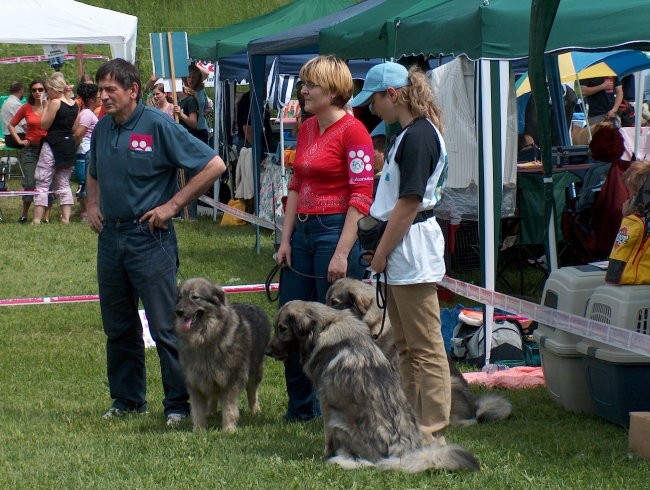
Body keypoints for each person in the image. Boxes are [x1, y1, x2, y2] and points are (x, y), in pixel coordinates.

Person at [87, 58, 225, 427]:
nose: (103, 96)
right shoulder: (102, 128)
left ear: (133, 90)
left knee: (166, 325)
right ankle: (127, 399)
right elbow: (93, 170)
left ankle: (178, 405)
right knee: (118, 325)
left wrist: (173, 205)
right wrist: (92, 202)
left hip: (149, 237)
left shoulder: (158, 124)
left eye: (109, 90)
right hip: (111, 238)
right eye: (100, 90)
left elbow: (214, 165)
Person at [350, 61, 450, 445]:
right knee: (406, 347)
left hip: (410, 249)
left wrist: (379, 255)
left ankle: (433, 432)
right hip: (401, 249)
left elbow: (408, 204)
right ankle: (411, 424)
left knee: (425, 347)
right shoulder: (408, 134)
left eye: (374, 100)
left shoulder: (420, 135)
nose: (372, 109)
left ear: (392, 94)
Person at [275, 55, 374, 422]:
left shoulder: (355, 132)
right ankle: (301, 408)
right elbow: (297, 184)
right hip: (302, 232)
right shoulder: (306, 128)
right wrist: (286, 241)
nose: (303, 90)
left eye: (310, 84)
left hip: (335, 230)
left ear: (333, 90)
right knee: (292, 320)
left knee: (336, 327)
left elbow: (361, 196)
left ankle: (345, 409)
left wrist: (342, 251)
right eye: (303, 83)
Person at [32, 73, 79, 224]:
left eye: (47, 89)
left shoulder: (55, 103)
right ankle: (66, 218)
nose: (47, 92)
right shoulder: (75, 104)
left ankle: (37, 219)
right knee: (64, 182)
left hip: (52, 143)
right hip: (68, 144)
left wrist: (45, 106)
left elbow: (44, 125)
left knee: (43, 180)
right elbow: (74, 128)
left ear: (53, 88)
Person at [8, 79, 47, 223]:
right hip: (30, 149)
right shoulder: (26, 107)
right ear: (30, 92)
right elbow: (11, 125)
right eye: (34, 90)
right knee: (29, 182)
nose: (37, 92)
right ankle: (24, 214)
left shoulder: (50, 106)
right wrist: (19, 141)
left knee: (46, 182)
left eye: (40, 89)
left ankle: (45, 216)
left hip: (47, 149)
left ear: (45, 91)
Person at [72, 83, 100, 221]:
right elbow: (78, 134)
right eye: (98, 96)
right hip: (86, 151)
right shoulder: (87, 114)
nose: (101, 98)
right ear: (91, 99)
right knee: (86, 183)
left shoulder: (85, 113)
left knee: (86, 183)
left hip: (86, 150)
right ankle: (85, 213)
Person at [184, 63, 210, 144]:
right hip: (188, 129)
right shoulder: (182, 92)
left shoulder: (201, 91)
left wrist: (208, 110)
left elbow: (206, 106)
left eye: (194, 77)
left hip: (202, 128)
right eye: (189, 77)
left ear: (198, 78)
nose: (191, 80)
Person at [2, 81, 25, 148]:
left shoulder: (5, 103)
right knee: (38, 141)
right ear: (21, 90)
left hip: (8, 138)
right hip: (16, 138)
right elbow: (24, 125)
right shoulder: (16, 104)